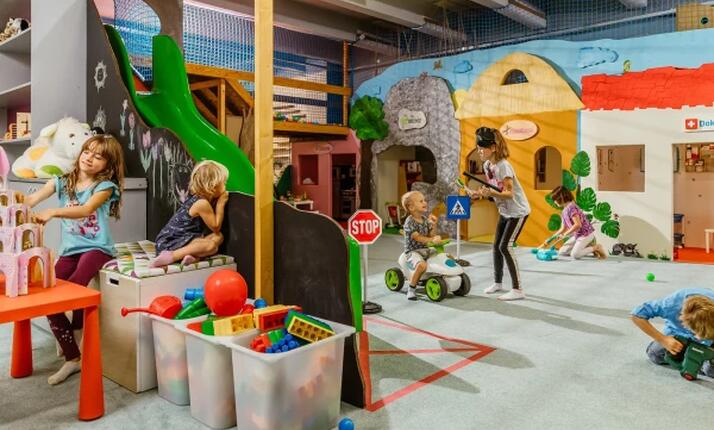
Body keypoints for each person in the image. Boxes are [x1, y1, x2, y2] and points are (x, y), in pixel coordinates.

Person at [23, 134, 124, 385]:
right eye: (87, 151)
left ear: (108, 165)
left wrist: (53, 211)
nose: (89, 158)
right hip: (70, 250)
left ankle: (74, 342)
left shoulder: (104, 187)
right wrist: (14, 204)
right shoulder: (62, 181)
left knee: (75, 289)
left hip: (97, 248)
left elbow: (86, 210)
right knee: (47, 296)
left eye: (98, 156)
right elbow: (31, 199)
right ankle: (72, 351)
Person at [467, 126, 530, 301]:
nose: (479, 151)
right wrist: (479, 193)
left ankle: (518, 289)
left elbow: (508, 193)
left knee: (505, 247)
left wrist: (491, 193)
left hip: (517, 211)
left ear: (493, 147)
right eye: (478, 148)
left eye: (482, 148)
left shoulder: (504, 166)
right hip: (504, 211)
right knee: (496, 246)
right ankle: (498, 282)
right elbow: (494, 189)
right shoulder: (487, 165)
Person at [151, 160, 229, 267]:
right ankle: (172, 256)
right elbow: (216, 227)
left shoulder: (198, 198)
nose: (225, 185)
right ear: (213, 186)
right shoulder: (201, 203)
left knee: (218, 237)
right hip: (169, 243)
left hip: (184, 239)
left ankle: (192, 257)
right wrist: (221, 203)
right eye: (223, 182)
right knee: (212, 246)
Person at [631, 289, 714, 377]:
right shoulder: (671, 304)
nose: (698, 338)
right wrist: (663, 340)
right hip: (678, 336)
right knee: (655, 353)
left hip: (711, 343)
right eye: (696, 332)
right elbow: (636, 315)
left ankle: (702, 363)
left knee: (710, 370)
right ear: (683, 319)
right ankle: (700, 362)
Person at [543, 185, 606, 259]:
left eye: (555, 199)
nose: (554, 202)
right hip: (577, 235)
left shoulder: (572, 208)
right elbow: (562, 228)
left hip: (585, 234)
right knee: (562, 252)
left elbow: (578, 225)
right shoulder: (564, 211)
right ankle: (584, 247)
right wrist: (551, 238)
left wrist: (564, 234)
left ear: (561, 198)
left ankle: (596, 247)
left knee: (575, 255)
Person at [401, 190, 441, 301]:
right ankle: (411, 288)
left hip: (425, 250)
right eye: (421, 201)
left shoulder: (425, 220)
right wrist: (432, 240)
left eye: (424, 200)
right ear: (411, 207)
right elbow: (417, 237)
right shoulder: (409, 222)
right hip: (413, 251)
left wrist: (434, 225)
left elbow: (431, 234)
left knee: (443, 257)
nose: (425, 203)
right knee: (422, 265)